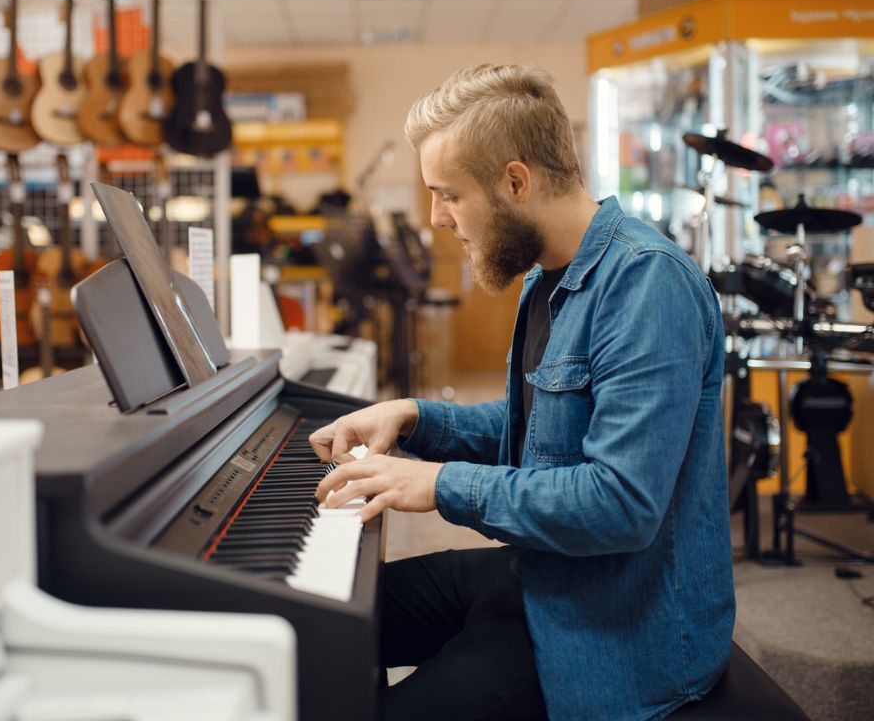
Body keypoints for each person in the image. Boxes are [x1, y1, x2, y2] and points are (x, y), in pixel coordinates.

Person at [310, 64, 734, 721]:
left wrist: (438, 485)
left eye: (448, 195)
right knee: (315, 624)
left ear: (515, 182)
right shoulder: (548, 278)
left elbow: (620, 504)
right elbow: (538, 428)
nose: (436, 219)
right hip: (542, 575)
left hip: (617, 626)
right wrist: (415, 417)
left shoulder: (648, 285)